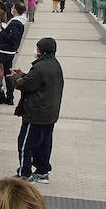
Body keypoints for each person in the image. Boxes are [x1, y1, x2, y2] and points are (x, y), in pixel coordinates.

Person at [12, 37, 64, 184]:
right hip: (50, 113)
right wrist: (23, 74)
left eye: (37, 48)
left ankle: (25, 173)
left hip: (36, 113)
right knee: (44, 143)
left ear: (42, 50)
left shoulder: (40, 67)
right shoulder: (55, 64)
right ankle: (42, 171)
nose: (36, 50)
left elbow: (26, 85)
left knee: (25, 143)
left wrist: (16, 78)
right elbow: (37, 81)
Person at [0, 1, 26, 105]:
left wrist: (0, 30)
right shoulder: (20, 22)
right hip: (10, 51)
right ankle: (9, 97)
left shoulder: (15, 23)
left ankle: (1, 96)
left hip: (4, 51)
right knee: (8, 74)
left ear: (15, 10)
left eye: (13, 7)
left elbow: (12, 38)